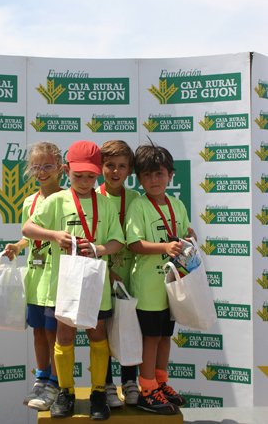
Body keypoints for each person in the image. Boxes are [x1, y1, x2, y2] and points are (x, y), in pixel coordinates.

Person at [22, 140, 125, 421]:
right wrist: (54, 235)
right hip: (64, 282)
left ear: (98, 175)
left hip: (96, 283)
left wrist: (99, 249)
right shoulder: (56, 200)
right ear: (66, 171)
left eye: (91, 176)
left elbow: (118, 240)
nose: (84, 181)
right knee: (65, 336)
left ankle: (97, 392)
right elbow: (27, 228)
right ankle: (65, 392)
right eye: (78, 175)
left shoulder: (104, 204)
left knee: (97, 335)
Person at [126, 141, 197, 414]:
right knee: (151, 338)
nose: (154, 180)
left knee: (165, 336)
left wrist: (189, 239)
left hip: (172, 286)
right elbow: (133, 244)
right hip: (148, 287)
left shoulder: (177, 204)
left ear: (171, 175)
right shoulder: (139, 206)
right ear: (139, 178)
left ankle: (160, 381)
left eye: (159, 174)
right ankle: (146, 389)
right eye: (147, 175)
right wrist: (165, 248)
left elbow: (182, 234)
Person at [3, 142, 63, 411]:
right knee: (38, 331)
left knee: (54, 334)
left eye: (48, 166)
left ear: (60, 169)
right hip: (37, 278)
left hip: (59, 279)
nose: (41, 172)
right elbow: (31, 234)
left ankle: (56, 382)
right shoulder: (30, 201)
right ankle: (41, 378)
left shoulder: (69, 198)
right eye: (36, 167)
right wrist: (18, 246)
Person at [96, 140, 140, 408]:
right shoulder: (93, 196)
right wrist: (108, 271)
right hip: (102, 275)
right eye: (109, 165)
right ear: (100, 166)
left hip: (131, 276)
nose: (115, 171)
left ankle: (130, 381)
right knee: (102, 330)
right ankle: (107, 383)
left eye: (122, 166)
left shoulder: (136, 198)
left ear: (130, 170)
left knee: (129, 327)